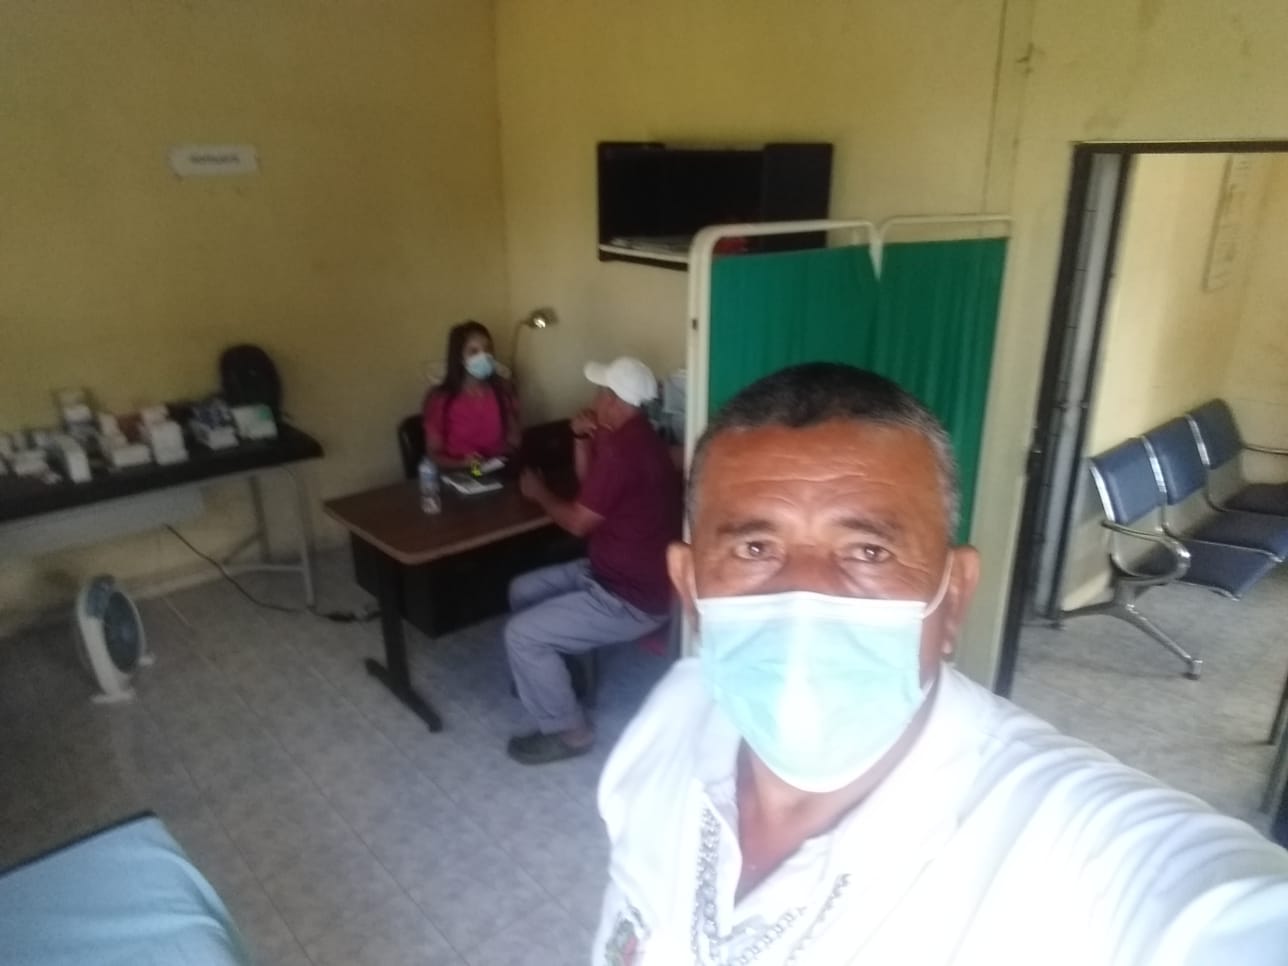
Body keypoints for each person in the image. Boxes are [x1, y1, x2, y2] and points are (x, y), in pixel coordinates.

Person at [593, 362, 1288, 965]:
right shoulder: (671, 717)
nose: (806, 598)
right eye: (754, 549)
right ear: (690, 588)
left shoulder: (1078, 854)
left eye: (869, 552)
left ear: (952, 599)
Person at [506, 356, 682, 765]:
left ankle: (572, 733)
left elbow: (577, 522)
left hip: (630, 597)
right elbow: (592, 489)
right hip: (612, 573)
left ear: (613, 401)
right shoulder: (634, 437)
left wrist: (539, 493)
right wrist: (581, 438)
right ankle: (557, 682)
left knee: (522, 635)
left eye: (601, 391)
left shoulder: (624, 452)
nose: (594, 397)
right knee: (522, 590)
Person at [422, 320, 520, 470]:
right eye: (474, 351)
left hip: (497, 470)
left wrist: (511, 400)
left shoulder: (502, 390)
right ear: (460, 358)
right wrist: (463, 464)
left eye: (488, 349)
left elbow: (515, 442)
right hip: (458, 473)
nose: (484, 356)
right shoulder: (441, 399)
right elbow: (434, 454)